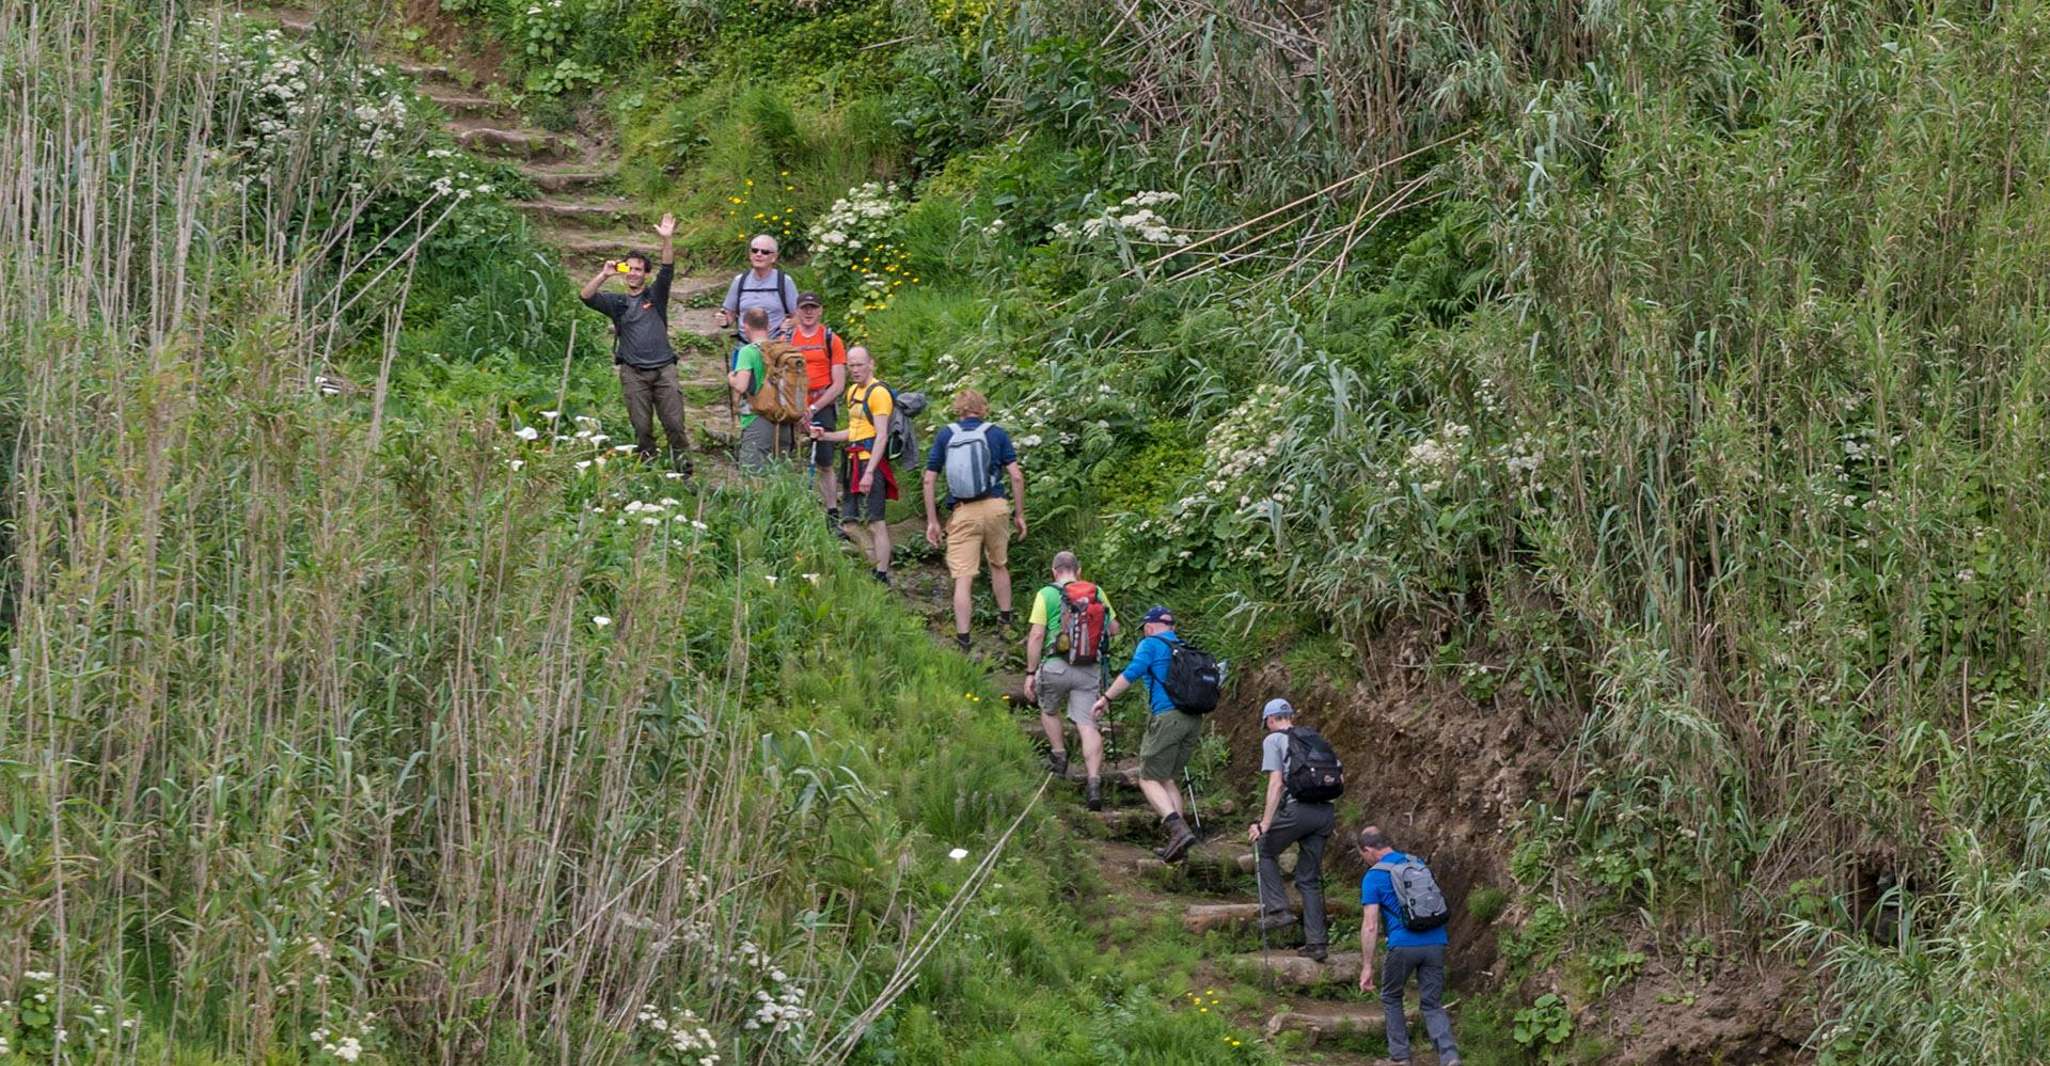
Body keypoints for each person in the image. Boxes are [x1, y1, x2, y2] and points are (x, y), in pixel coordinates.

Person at [1090, 606, 1200, 862]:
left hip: (1167, 718)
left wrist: (1105, 698)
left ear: (1149, 627)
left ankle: (1177, 829)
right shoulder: (1183, 646)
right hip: (1193, 720)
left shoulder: (1150, 644)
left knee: (1148, 778)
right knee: (1167, 778)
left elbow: (1131, 674)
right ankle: (1179, 843)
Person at [580, 213, 687, 469]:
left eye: (639, 269)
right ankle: (648, 469)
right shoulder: (617, 302)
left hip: (664, 370)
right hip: (633, 373)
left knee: (674, 424)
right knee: (641, 427)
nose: (633, 273)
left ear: (646, 274)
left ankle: (684, 470)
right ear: (623, 271)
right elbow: (585, 296)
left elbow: (668, 268)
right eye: (629, 268)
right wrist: (605, 274)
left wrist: (667, 239)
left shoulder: (656, 295)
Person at [922, 390, 1026, 652]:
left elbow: (929, 479)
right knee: (998, 565)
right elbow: (1015, 476)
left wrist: (933, 521)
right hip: (996, 507)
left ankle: (964, 640)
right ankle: (1005, 622)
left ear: (958, 409)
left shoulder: (947, 435)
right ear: (983, 409)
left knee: (963, 578)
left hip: (963, 511)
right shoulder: (997, 433)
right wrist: (1019, 514)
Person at [1024, 551, 1120, 809]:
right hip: (1089, 667)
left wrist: (1031, 673)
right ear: (1078, 569)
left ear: (1054, 571)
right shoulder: (1096, 591)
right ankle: (1093, 783)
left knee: (1048, 709)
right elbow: (1114, 628)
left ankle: (1059, 755)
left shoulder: (1046, 594)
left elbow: (1036, 635)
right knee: (1087, 725)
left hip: (1055, 666)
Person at [1358, 826, 1461, 1066]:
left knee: (1392, 996)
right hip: (1435, 941)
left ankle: (1400, 1057)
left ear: (1369, 850)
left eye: (1363, 854)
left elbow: (1370, 925)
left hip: (1403, 945)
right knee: (1432, 1002)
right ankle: (1449, 1056)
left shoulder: (1373, 876)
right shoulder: (1417, 863)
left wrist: (1366, 966)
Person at [1248, 698, 1334, 962]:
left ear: (1271, 719)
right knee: (1308, 879)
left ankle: (1277, 910)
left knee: (1264, 849)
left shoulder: (1274, 740)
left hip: (1298, 811)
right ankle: (1317, 944)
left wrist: (1264, 824)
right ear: (1291, 716)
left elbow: (1276, 785)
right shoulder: (1313, 738)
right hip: (1325, 812)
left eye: (1266, 723)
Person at [808, 346, 895, 584]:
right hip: (853, 460)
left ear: (871, 364)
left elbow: (881, 435)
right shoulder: (853, 392)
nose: (855, 370)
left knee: (876, 521)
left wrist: (869, 472)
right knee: (850, 520)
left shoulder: (878, 393)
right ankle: (872, 567)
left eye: (859, 365)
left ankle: (882, 573)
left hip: (870, 464)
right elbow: (854, 432)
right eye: (851, 365)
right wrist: (824, 435)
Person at [789, 292, 849, 525]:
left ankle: (832, 512)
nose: (808, 312)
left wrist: (812, 408)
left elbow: (838, 384)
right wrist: (795, 408)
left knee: (824, 460)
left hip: (821, 403)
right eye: (804, 307)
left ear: (821, 310)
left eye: (813, 307)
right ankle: (794, 508)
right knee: (790, 456)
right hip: (794, 404)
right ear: (796, 311)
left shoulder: (831, 339)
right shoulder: (788, 338)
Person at [727, 308, 796, 470]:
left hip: (758, 418)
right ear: (768, 325)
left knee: (753, 475)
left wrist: (731, 379)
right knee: (779, 477)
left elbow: (742, 385)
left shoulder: (748, 352)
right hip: (783, 420)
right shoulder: (781, 349)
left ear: (746, 327)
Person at [716, 234, 800, 345]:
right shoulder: (740, 280)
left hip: (775, 347)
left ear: (774, 257)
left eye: (765, 252)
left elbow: (798, 315)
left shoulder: (784, 281)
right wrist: (724, 319)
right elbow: (730, 314)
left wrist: (791, 323)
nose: (758, 254)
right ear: (750, 254)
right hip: (744, 347)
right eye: (755, 251)